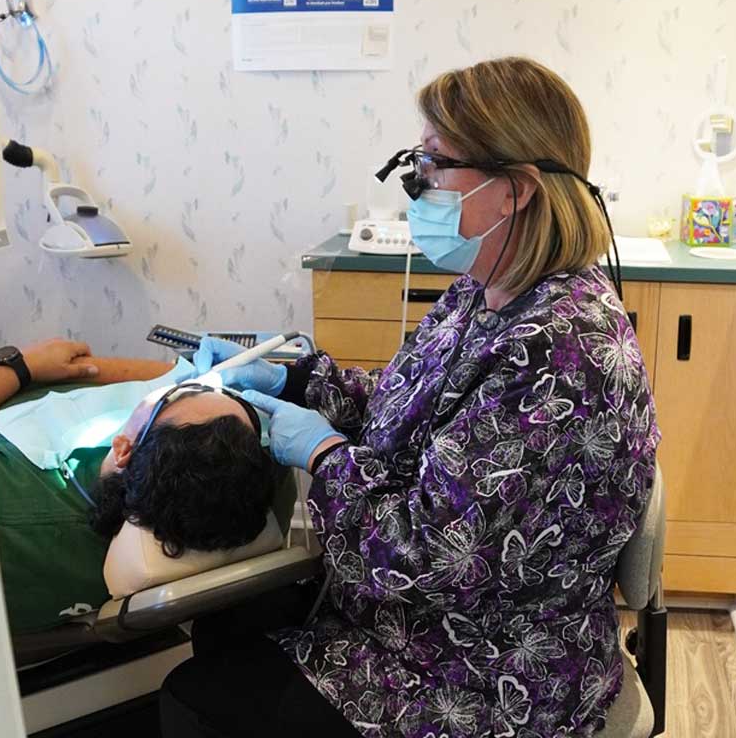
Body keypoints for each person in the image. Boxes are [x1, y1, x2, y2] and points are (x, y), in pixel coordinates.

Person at [161, 57, 660, 738]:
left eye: (434, 164)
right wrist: (296, 379)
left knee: (197, 696)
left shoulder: (561, 353)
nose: (415, 186)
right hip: (431, 628)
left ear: (514, 189)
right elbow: (412, 404)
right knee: (229, 622)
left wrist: (327, 456)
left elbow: (424, 558)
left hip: (489, 677)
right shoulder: (488, 290)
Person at [0, 339, 280, 634]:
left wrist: (17, 368)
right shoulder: (219, 476)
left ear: (122, 449)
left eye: (173, 395)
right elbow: (176, 376)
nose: (174, 386)